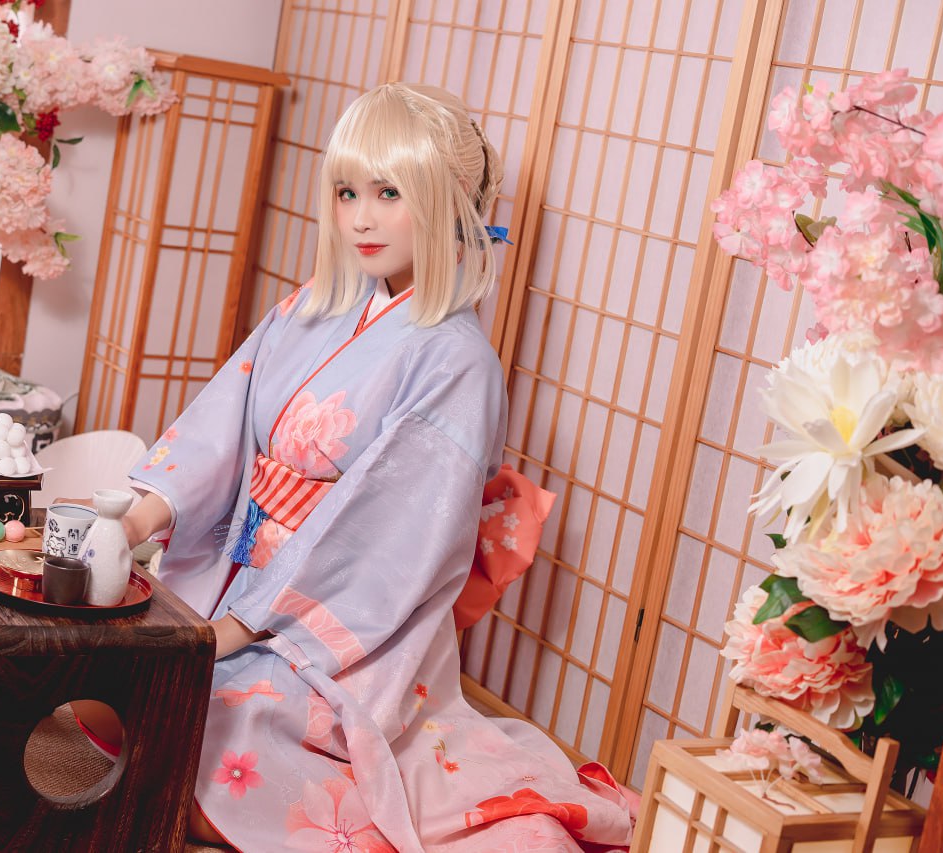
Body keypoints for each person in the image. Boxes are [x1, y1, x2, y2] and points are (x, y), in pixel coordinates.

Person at [103, 82, 635, 851]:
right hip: (234, 574)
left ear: (449, 202)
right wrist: (134, 522)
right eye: (347, 191)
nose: (360, 217)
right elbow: (223, 421)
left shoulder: (458, 361)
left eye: (389, 193)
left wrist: (235, 630)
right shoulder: (313, 307)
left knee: (207, 743)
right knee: (118, 690)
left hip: (345, 626)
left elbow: (384, 535)